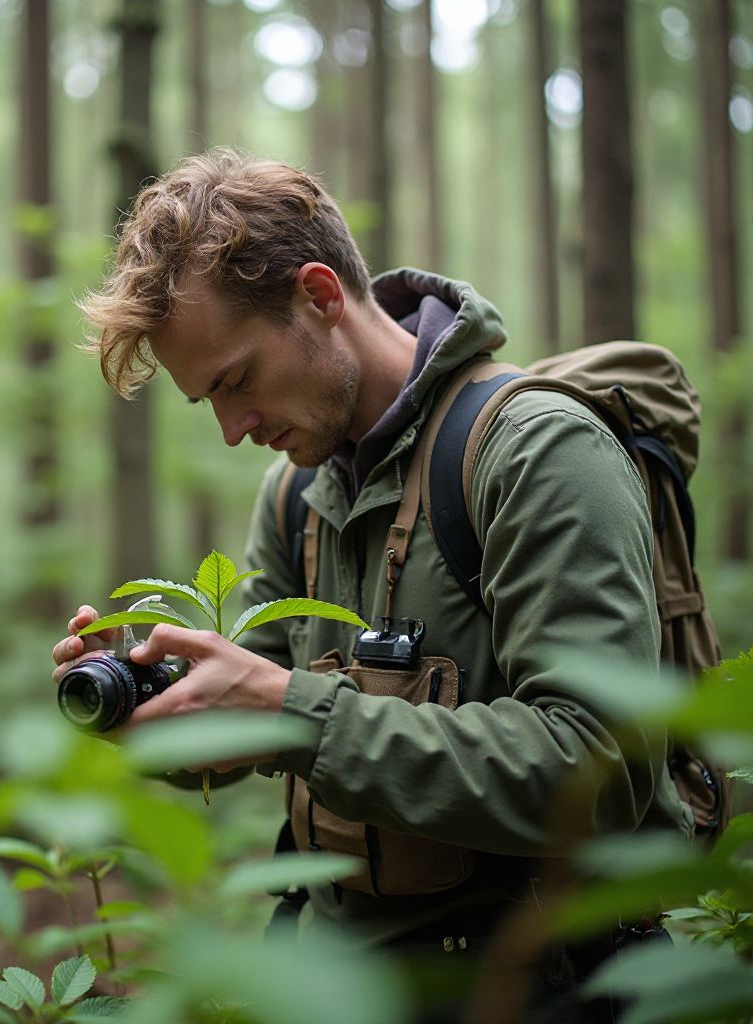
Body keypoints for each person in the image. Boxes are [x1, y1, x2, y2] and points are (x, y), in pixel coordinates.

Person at [52, 149, 689, 1021]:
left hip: (540, 989)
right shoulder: (298, 495)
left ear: (319, 296)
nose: (234, 430)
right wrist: (155, 707)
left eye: (236, 380)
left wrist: (293, 710)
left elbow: (603, 771)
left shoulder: (538, 453)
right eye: (208, 401)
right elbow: (253, 719)